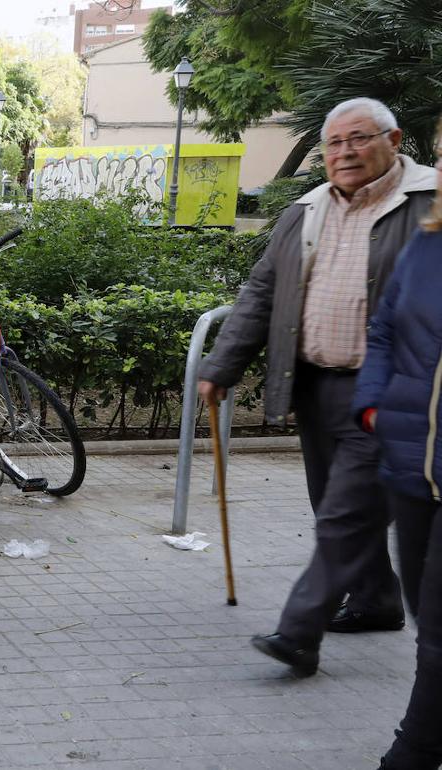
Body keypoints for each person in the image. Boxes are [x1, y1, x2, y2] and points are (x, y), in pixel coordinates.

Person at [197, 97, 437, 676]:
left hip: (392, 394)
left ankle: (299, 633)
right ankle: (377, 602)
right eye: (334, 142)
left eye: (358, 138)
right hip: (315, 384)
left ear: (394, 139)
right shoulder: (304, 211)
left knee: (346, 516)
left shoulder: (428, 206)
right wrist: (221, 366)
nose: (345, 152)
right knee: (337, 503)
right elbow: (260, 294)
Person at [351, 124, 442, 770]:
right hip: (410, 461)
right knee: (424, 615)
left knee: (438, 629)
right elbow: (383, 328)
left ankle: (412, 751)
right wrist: (377, 407)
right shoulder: (428, 242)